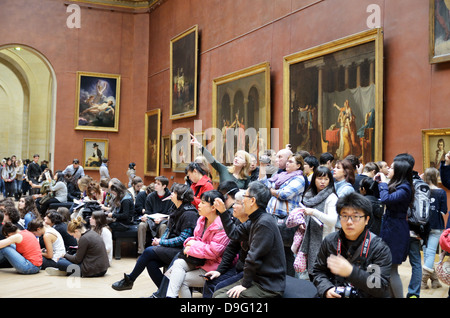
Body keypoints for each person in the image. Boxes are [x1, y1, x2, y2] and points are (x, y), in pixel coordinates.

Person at [112, 183, 198, 292]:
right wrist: (161, 241)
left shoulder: (189, 213)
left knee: (148, 251)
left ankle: (130, 279)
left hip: (183, 251)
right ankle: (165, 292)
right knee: (150, 263)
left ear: (181, 196)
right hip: (173, 248)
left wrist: (161, 242)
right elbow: (169, 229)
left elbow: (183, 239)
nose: (171, 194)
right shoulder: (175, 208)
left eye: (174, 193)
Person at [213, 181, 286, 298]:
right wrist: (223, 212)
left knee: (220, 297)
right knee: (217, 293)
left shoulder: (264, 223)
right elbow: (234, 234)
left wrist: (244, 284)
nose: (242, 201)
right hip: (256, 279)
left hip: (267, 286)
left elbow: (253, 257)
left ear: (252, 201)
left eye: (245, 197)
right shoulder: (255, 220)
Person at [312, 192, 392, 298]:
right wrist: (327, 289)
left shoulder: (379, 248)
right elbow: (318, 271)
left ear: (366, 220)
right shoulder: (330, 241)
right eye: (344, 216)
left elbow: (380, 287)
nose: (349, 222)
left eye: (355, 216)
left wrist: (351, 272)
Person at [165, 190, 230, 298]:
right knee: (178, 263)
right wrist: (189, 243)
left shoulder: (222, 226)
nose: (198, 205)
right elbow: (194, 239)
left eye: (203, 203)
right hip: (199, 260)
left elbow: (214, 252)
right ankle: (170, 296)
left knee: (182, 280)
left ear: (213, 207)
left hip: (212, 266)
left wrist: (191, 247)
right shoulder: (202, 219)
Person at [259, 153, 306, 276]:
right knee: (272, 249)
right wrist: (262, 168)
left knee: (286, 251)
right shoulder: (280, 175)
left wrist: (271, 191)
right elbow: (264, 185)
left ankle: (289, 279)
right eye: (288, 161)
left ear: (298, 165)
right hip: (271, 216)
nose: (287, 163)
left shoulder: (299, 179)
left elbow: (285, 194)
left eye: (291, 162)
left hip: (286, 220)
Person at [374, 158, 414, 298]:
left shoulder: (405, 188)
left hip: (396, 230)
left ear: (399, 172)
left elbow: (386, 199)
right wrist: (379, 182)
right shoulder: (398, 185)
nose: (388, 169)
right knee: (387, 269)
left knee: (392, 270)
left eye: (391, 167)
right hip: (390, 227)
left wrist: (384, 184)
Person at [204, 189, 247, 297]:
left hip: (250, 273)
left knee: (219, 288)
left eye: (237, 203)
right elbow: (231, 248)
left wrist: (245, 283)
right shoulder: (238, 221)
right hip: (238, 268)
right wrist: (220, 271)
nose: (233, 206)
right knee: (211, 281)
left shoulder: (254, 225)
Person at [299, 166, 338, 279]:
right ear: (314, 179)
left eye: (326, 179)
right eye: (319, 178)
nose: (322, 182)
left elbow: (332, 221)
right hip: (309, 239)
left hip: (324, 241)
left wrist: (314, 212)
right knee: (312, 275)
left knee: (321, 276)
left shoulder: (331, 197)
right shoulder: (309, 195)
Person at [422, 167, 447, 289]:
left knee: (427, 253)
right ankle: (423, 280)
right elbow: (443, 211)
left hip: (422, 225)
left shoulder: (421, 191)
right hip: (436, 225)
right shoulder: (441, 192)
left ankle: (435, 281)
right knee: (431, 252)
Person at [138, 176, 173, 254]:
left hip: (164, 220)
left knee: (163, 227)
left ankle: (160, 251)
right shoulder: (150, 196)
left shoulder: (170, 197)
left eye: (158, 184)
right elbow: (148, 211)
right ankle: (141, 252)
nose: (155, 185)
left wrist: (161, 219)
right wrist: (145, 216)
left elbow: (171, 214)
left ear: (164, 186)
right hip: (151, 219)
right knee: (141, 225)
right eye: (155, 183)